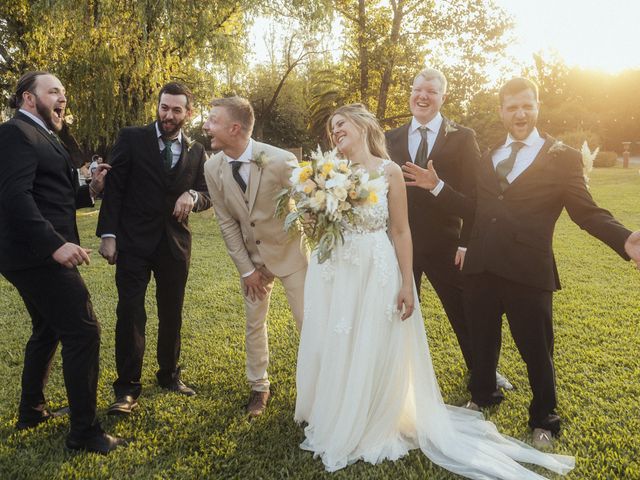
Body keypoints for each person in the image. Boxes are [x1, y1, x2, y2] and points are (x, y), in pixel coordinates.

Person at [295, 103, 575, 478]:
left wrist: (407, 282)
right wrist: (312, 214)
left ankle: (373, 412)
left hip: (375, 268)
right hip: (338, 271)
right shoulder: (328, 172)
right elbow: (322, 230)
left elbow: (400, 230)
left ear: (362, 126)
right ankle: (338, 406)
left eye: (341, 123)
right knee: (339, 337)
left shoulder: (389, 171)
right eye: (332, 129)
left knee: (372, 338)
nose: (335, 132)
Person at [413, 77, 640, 448]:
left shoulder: (562, 156)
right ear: (502, 112)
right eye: (512, 107)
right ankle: (483, 394)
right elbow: (477, 208)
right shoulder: (489, 157)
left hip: (528, 272)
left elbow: (585, 212)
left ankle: (544, 418)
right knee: (482, 342)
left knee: (537, 349)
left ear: (536, 107)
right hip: (481, 269)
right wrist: (436, 187)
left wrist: (624, 238)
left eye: (527, 105)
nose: (520, 113)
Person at [0, 71, 124, 453]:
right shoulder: (15, 133)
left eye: (64, 93)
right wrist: (55, 245)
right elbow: (15, 197)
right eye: (53, 91)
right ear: (27, 98)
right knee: (83, 331)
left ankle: (32, 410)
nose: (62, 98)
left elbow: (52, 193)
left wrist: (91, 190)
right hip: (35, 255)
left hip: (30, 254)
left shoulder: (43, 134)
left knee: (48, 329)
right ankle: (84, 433)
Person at [387, 68, 511, 390]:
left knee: (465, 312)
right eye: (418, 90)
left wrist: (466, 241)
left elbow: (476, 200)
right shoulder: (391, 139)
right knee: (396, 310)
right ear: (411, 93)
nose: (423, 96)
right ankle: (395, 379)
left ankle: (484, 371)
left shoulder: (462, 137)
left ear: (443, 97)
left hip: (448, 245)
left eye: (431, 91)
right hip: (401, 246)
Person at [97, 82, 211, 415]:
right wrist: (108, 234)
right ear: (157, 106)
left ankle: (169, 375)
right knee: (130, 313)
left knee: (171, 312)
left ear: (188, 114)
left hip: (175, 246)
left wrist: (192, 196)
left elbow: (206, 192)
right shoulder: (132, 138)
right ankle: (127, 389)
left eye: (177, 110)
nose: (169, 115)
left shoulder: (197, 150)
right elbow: (114, 189)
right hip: (133, 243)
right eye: (164, 107)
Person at [203, 96, 307, 417]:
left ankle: (316, 386)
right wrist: (247, 270)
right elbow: (226, 221)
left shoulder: (280, 160)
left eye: (213, 121)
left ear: (235, 128)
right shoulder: (212, 166)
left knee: (308, 321)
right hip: (251, 259)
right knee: (254, 323)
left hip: (290, 252)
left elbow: (308, 204)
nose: (206, 126)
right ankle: (259, 387)